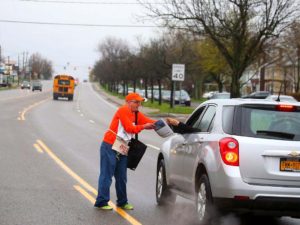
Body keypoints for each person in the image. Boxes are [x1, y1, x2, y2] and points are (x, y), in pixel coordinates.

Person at [94, 93, 156, 210]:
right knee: (107, 175)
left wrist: (166, 123)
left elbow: (150, 122)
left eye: (140, 102)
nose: (139, 104)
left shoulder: (136, 114)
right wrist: (143, 126)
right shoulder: (123, 110)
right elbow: (129, 128)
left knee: (122, 176)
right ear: (128, 102)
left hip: (123, 147)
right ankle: (101, 201)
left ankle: (122, 202)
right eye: (136, 102)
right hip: (110, 145)